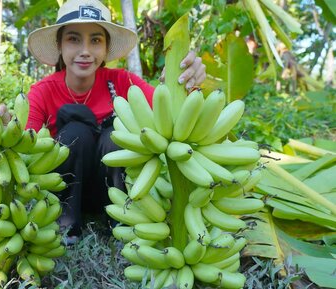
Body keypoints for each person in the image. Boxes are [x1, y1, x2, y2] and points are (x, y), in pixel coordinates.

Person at [22, 0, 206, 243]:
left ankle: (120, 220)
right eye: (74, 39)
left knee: (114, 135)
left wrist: (183, 82)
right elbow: (24, 145)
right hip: (63, 189)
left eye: (96, 40)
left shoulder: (122, 82)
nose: (85, 50)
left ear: (106, 47)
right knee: (75, 131)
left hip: (117, 188)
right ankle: (67, 226)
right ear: (59, 45)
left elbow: (169, 113)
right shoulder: (43, 91)